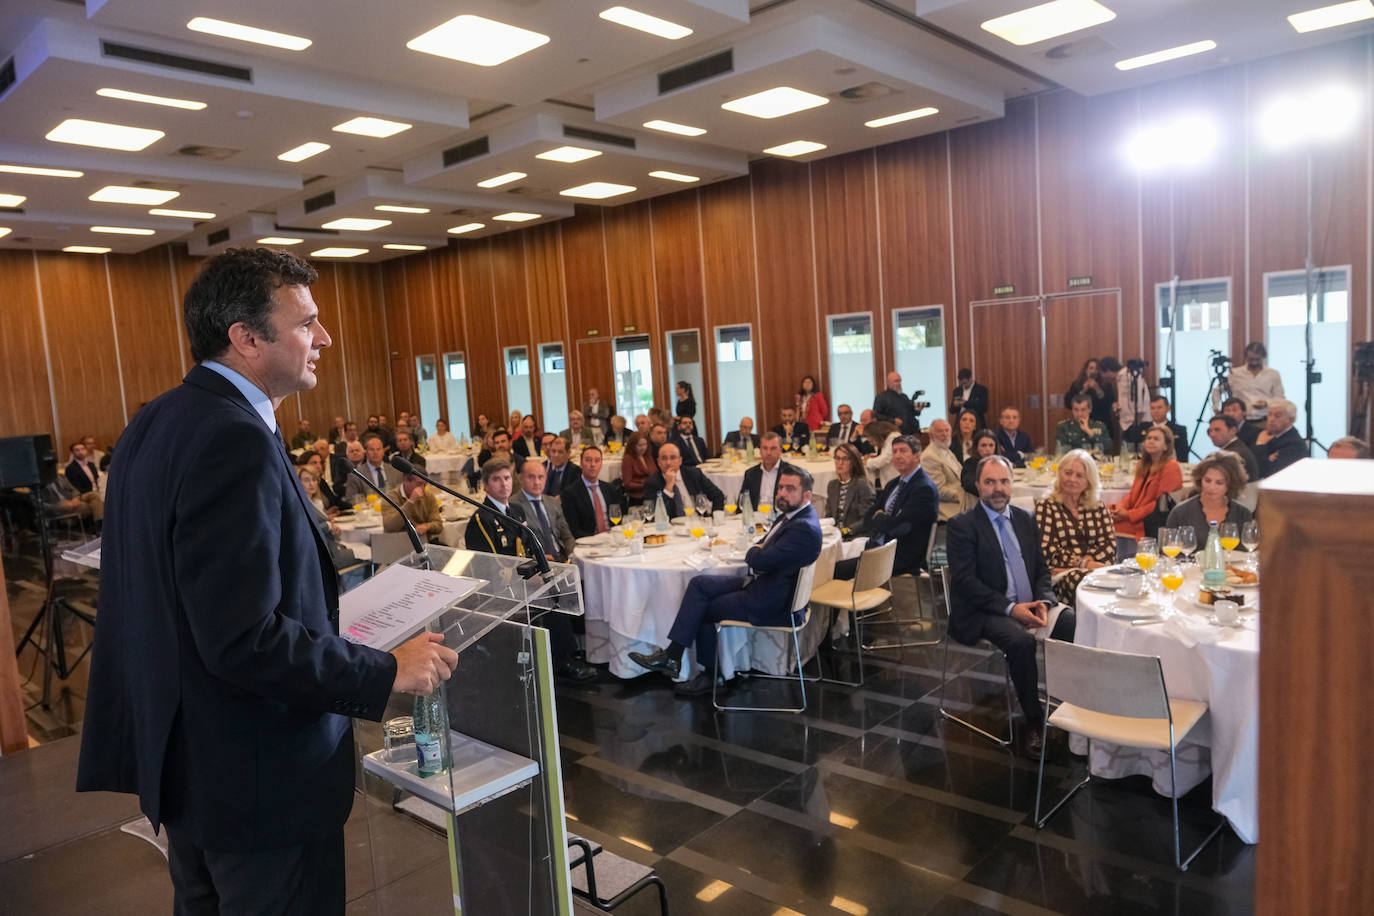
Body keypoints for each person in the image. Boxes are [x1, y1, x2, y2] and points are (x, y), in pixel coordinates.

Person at [76, 247, 456, 914]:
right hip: (260, 783)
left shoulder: (156, 421)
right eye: (306, 322)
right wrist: (385, 670)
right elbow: (243, 638)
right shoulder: (234, 438)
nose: (325, 338)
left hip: (191, 767)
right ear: (246, 338)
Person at [628, 466, 822, 696]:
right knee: (700, 584)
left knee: (705, 609)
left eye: (790, 489)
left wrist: (754, 551)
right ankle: (672, 655)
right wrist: (758, 549)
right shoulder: (794, 514)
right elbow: (764, 542)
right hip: (767, 586)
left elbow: (760, 560)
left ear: (807, 495)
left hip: (774, 602)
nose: (782, 493)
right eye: (780, 487)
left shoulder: (803, 528)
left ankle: (710, 676)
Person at [947, 454, 1075, 757]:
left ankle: (1073, 703)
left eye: (1004, 481)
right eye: (990, 482)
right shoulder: (962, 525)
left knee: (1073, 622)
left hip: (1032, 602)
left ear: (1012, 483)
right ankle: (1033, 719)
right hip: (986, 610)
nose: (998, 488)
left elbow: (1042, 569)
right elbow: (966, 582)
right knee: (1019, 642)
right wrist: (1010, 609)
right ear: (978, 485)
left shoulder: (1024, 518)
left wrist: (1044, 601)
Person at [464, 458, 596, 682]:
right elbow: (490, 567)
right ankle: (563, 661)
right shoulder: (482, 519)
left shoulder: (514, 510)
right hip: (500, 589)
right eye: (496, 480)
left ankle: (570, 650)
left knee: (562, 580)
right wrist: (528, 578)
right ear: (485, 485)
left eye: (506, 478)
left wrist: (541, 562)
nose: (503, 485)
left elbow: (526, 547)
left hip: (522, 579)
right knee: (552, 593)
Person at [834, 435, 939, 580]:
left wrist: (881, 517)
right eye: (894, 451)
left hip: (900, 557)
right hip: (877, 547)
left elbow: (900, 527)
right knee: (833, 559)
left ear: (917, 455)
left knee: (837, 570)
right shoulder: (893, 484)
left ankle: (853, 602)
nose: (897, 456)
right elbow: (868, 518)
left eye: (903, 451)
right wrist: (885, 519)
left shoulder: (923, 488)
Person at [1034, 449, 1116, 606]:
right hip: (1060, 578)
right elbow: (1047, 550)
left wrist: (1086, 564)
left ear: (1089, 480)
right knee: (1087, 584)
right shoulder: (1046, 506)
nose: (1072, 479)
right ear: (1059, 474)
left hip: (1093, 571)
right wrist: (1083, 565)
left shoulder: (1097, 506)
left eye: (1079, 475)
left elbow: (1109, 545)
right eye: (1068, 473)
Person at [1165, 451, 1253, 548]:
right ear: (1200, 479)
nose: (1211, 487)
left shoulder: (1242, 514)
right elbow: (1168, 552)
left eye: (1219, 483)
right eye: (1207, 480)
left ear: (1231, 484)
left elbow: (1247, 552)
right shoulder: (1180, 512)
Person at [1108, 424, 1183, 539]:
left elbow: (1159, 505)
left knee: (1105, 526)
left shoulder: (1171, 467)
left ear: (1166, 446)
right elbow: (1132, 495)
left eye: (1156, 439)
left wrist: (1128, 515)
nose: (1151, 441)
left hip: (1147, 523)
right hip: (1133, 516)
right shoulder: (1143, 465)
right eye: (1149, 438)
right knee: (1101, 512)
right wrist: (1118, 508)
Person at [510, 460, 575, 561]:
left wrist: (571, 555)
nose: (537, 482)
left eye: (541, 477)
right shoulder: (513, 505)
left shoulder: (553, 502)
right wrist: (537, 559)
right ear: (520, 478)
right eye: (531, 477)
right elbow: (516, 546)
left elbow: (567, 536)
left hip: (562, 558)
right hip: (536, 563)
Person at [1218, 342, 1284, 442]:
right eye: (1251, 359)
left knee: (1263, 448)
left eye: (1257, 359)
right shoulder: (1235, 373)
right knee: (1240, 449)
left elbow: (1280, 398)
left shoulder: (1273, 374)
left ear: (1263, 357)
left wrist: (1266, 403)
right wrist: (1217, 409)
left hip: (1264, 419)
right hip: (1241, 421)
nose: (1254, 362)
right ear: (1245, 357)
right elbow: (1217, 391)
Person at [642, 443, 725, 517]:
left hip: (698, 523)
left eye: (673, 457)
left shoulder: (694, 474)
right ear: (658, 462)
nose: (668, 463)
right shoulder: (652, 483)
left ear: (680, 461)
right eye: (664, 458)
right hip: (672, 528)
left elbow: (718, 496)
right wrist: (668, 487)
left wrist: (716, 517)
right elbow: (657, 514)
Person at [561, 446, 625, 538]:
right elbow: (573, 529)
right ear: (581, 463)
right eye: (588, 460)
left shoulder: (609, 488)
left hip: (612, 539)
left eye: (597, 460)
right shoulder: (570, 493)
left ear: (601, 464)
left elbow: (618, 518)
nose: (593, 464)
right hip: (588, 542)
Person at [921, 418, 974, 521]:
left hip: (961, 500)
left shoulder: (946, 450)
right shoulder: (929, 456)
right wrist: (964, 496)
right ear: (931, 435)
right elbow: (938, 491)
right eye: (940, 431)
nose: (945, 434)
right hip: (948, 507)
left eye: (947, 430)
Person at [825, 442, 875, 539]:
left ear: (854, 461)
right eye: (837, 458)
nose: (840, 463)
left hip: (856, 536)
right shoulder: (832, 485)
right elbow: (829, 516)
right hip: (836, 536)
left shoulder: (862, 484)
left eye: (845, 459)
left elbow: (867, 518)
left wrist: (845, 531)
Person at [1098, 356, 1150, 449]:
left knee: (1136, 453)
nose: (1103, 376)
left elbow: (1139, 397)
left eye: (1103, 373)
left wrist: (1136, 418)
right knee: (1127, 452)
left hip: (1138, 422)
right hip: (1128, 423)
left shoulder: (1129, 375)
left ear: (1109, 370)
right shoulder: (1120, 378)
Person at [739, 433, 799, 510]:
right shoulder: (751, 474)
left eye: (773, 448)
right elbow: (742, 504)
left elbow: (797, 506)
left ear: (780, 450)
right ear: (760, 450)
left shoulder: (791, 473)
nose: (768, 453)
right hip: (756, 519)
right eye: (765, 448)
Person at [381, 474, 445, 544]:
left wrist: (427, 526)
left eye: (425, 485)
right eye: (419, 484)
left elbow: (438, 525)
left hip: (423, 542)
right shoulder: (390, 497)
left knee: (452, 553)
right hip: (398, 543)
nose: (422, 489)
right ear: (405, 480)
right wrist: (411, 501)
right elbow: (390, 526)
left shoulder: (428, 496)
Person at [1125, 396, 1188, 462]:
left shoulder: (1179, 430)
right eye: (1152, 408)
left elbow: (1183, 456)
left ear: (1168, 409)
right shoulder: (1141, 427)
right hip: (1145, 466)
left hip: (1170, 465)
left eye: (1159, 408)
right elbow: (1131, 450)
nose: (1156, 411)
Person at [1255, 398, 1305, 477]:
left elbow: (1268, 472)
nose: (1271, 419)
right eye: (1269, 414)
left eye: (1277, 416)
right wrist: (1267, 459)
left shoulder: (1294, 444)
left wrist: (1260, 445)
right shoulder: (1265, 435)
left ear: (1291, 420)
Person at [345, 433, 402, 501]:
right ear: (366, 452)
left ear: (383, 451)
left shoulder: (396, 471)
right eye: (372, 449)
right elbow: (350, 499)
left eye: (378, 449)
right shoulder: (356, 475)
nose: (375, 452)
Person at [1206, 413, 1260, 481]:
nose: (1212, 434)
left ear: (1233, 431)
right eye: (1210, 431)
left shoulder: (1233, 454)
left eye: (1217, 430)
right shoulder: (1236, 447)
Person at [1065, 358, 1114, 432]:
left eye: (1096, 369)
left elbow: (1108, 405)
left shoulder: (1107, 385)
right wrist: (1083, 390)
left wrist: (1098, 389)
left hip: (1101, 424)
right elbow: (1068, 404)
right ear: (1086, 370)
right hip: (1080, 424)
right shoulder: (1077, 385)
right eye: (1091, 368)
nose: (1094, 371)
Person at [960, 429, 1002, 496]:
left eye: (991, 445)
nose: (988, 449)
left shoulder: (1000, 462)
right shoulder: (970, 463)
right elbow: (970, 485)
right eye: (983, 445)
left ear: (996, 447)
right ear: (977, 447)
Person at [863, 420, 901, 487]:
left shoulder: (893, 437)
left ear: (876, 435)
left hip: (896, 479)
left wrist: (866, 462)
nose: (872, 444)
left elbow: (886, 458)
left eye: (871, 441)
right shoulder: (887, 439)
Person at [620, 432, 654, 506]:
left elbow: (654, 473)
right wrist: (646, 485)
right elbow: (627, 483)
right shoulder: (628, 459)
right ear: (632, 446)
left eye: (645, 444)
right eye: (640, 445)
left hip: (650, 493)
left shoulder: (648, 456)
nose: (643, 448)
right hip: (637, 496)